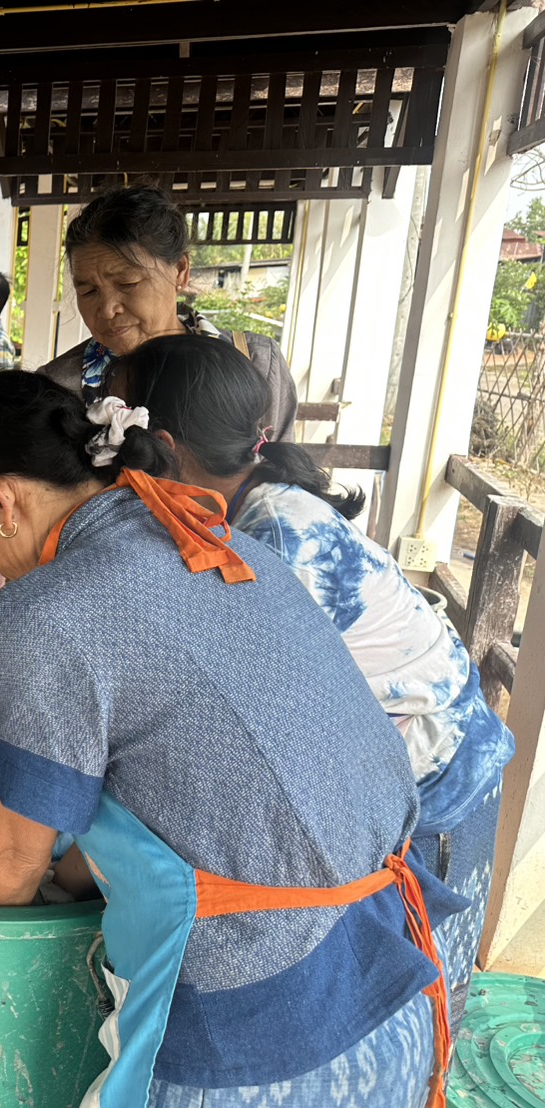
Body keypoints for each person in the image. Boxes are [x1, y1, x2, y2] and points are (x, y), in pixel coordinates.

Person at [0, 370, 462, 1107]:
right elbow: (175, 791)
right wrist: (68, 878)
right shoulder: (222, 542)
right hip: (391, 983)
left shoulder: (45, 612)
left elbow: (6, 864)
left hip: (260, 1047)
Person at [121, 333, 514, 1030]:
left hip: (440, 780)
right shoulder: (258, 503)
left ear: (165, 447)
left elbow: (239, 719)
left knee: (417, 1005)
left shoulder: (271, 542)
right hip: (430, 762)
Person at [35, 185, 297, 438]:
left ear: (180, 271)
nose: (107, 310)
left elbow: (284, 478)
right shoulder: (57, 389)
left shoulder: (256, 363)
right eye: (89, 291)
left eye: (127, 284)